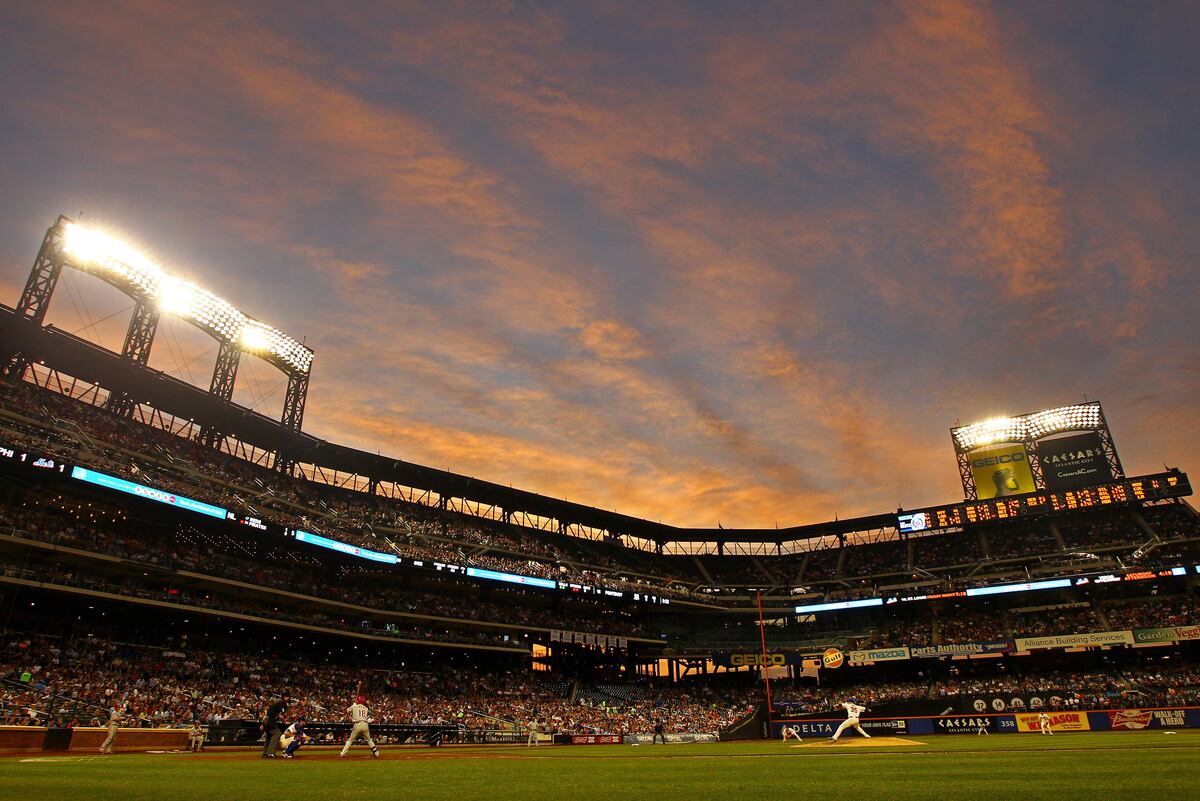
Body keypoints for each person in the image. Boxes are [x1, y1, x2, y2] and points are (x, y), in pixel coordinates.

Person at [340, 686, 380, 758]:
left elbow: (347, 711)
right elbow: (370, 713)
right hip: (365, 724)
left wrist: (354, 704)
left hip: (357, 724)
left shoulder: (354, 706)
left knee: (350, 740)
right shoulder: (366, 708)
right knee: (369, 740)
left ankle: (343, 753)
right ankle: (376, 753)